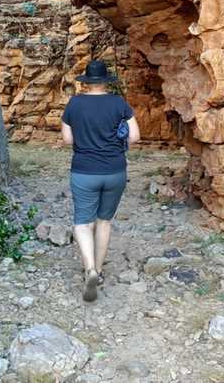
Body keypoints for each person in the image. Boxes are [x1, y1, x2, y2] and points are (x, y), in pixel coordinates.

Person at [61, 59, 140, 302]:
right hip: (115, 170)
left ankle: (90, 269)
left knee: (83, 223)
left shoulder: (74, 104)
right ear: (106, 81)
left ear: (86, 82)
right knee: (104, 221)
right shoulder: (118, 103)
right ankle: (100, 269)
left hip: (84, 170)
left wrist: (88, 141)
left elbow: (67, 139)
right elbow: (135, 136)